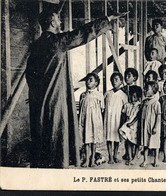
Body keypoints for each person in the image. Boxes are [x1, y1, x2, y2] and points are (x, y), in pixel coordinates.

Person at [25, 9, 124, 168]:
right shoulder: (57, 41)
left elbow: (29, 74)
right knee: (56, 130)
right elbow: (83, 33)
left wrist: (36, 93)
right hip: (55, 98)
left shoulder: (36, 45)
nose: (60, 22)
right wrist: (107, 19)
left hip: (39, 100)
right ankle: (58, 168)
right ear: (52, 23)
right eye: (57, 19)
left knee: (42, 133)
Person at [78, 73, 104, 167]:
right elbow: (81, 109)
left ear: (96, 83)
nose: (88, 82)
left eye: (91, 80)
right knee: (86, 140)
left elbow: (102, 109)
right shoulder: (83, 95)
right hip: (85, 120)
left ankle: (92, 159)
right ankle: (86, 160)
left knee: (93, 141)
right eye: (87, 80)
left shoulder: (99, 95)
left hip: (94, 121)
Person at [104, 72, 128, 164]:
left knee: (116, 138)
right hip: (109, 119)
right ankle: (110, 157)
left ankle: (115, 156)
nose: (114, 81)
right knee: (109, 138)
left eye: (116, 79)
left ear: (121, 82)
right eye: (112, 80)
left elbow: (125, 109)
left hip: (117, 119)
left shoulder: (123, 95)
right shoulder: (107, 93)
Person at [119, 86, 143, 165]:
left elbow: (138, 116)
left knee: (135, 142)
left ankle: (135, 156)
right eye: (131, 96)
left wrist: (132, 123)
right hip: (128, 126)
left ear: (138, 97)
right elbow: (123, 115)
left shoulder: (139, 106)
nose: (132, 98)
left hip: (136, 126)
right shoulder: (127, 105)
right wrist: (123, 124)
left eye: (135, 97)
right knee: (128, 141)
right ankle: (129, 157)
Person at [140, 81, 161, 167]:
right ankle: (145, 160)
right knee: (145, 142)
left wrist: (155, 126)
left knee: (155, 143)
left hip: (153, 125)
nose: (144, 90)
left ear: (153, 90)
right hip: (145, 125)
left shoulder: (156, 103)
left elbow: (158, 116)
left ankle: (156, 160)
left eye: (147, 89)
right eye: (144, 88)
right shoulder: (144, 102)